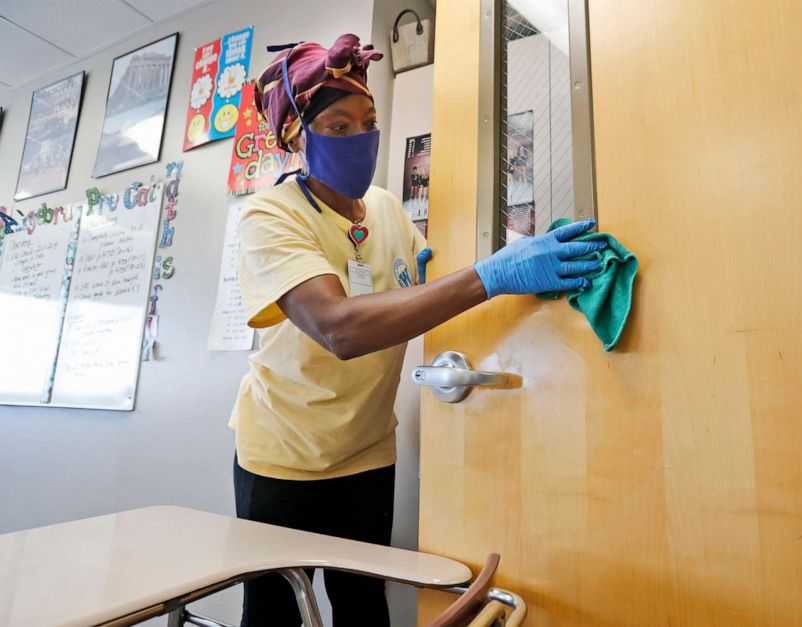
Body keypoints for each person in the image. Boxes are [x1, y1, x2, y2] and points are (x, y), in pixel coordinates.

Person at [229, 34, 605, 627]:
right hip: (284, 456)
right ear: (295, 137)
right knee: (275, 611)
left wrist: (533, 273)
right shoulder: (269, 216)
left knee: (363, 606)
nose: (363, 138)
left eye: (369, 121)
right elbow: (338, 329)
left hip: (367, 450)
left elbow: (424, 289)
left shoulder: (385, 209)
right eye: (339, 126)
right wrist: (491, 276)